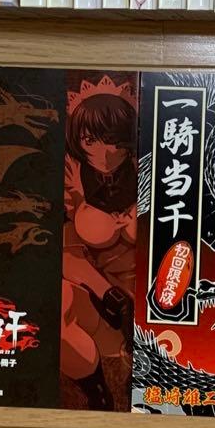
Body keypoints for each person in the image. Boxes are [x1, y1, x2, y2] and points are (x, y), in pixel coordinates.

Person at [61, 79, 138, 410]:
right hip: (103, 300)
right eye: (90, 140)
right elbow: (64, 254)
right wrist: (111, 296)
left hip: (154, 301)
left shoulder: (153, 170)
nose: (103, 152)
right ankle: (97, 397)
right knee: (59, 296)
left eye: (112, 140)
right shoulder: (71, 178)